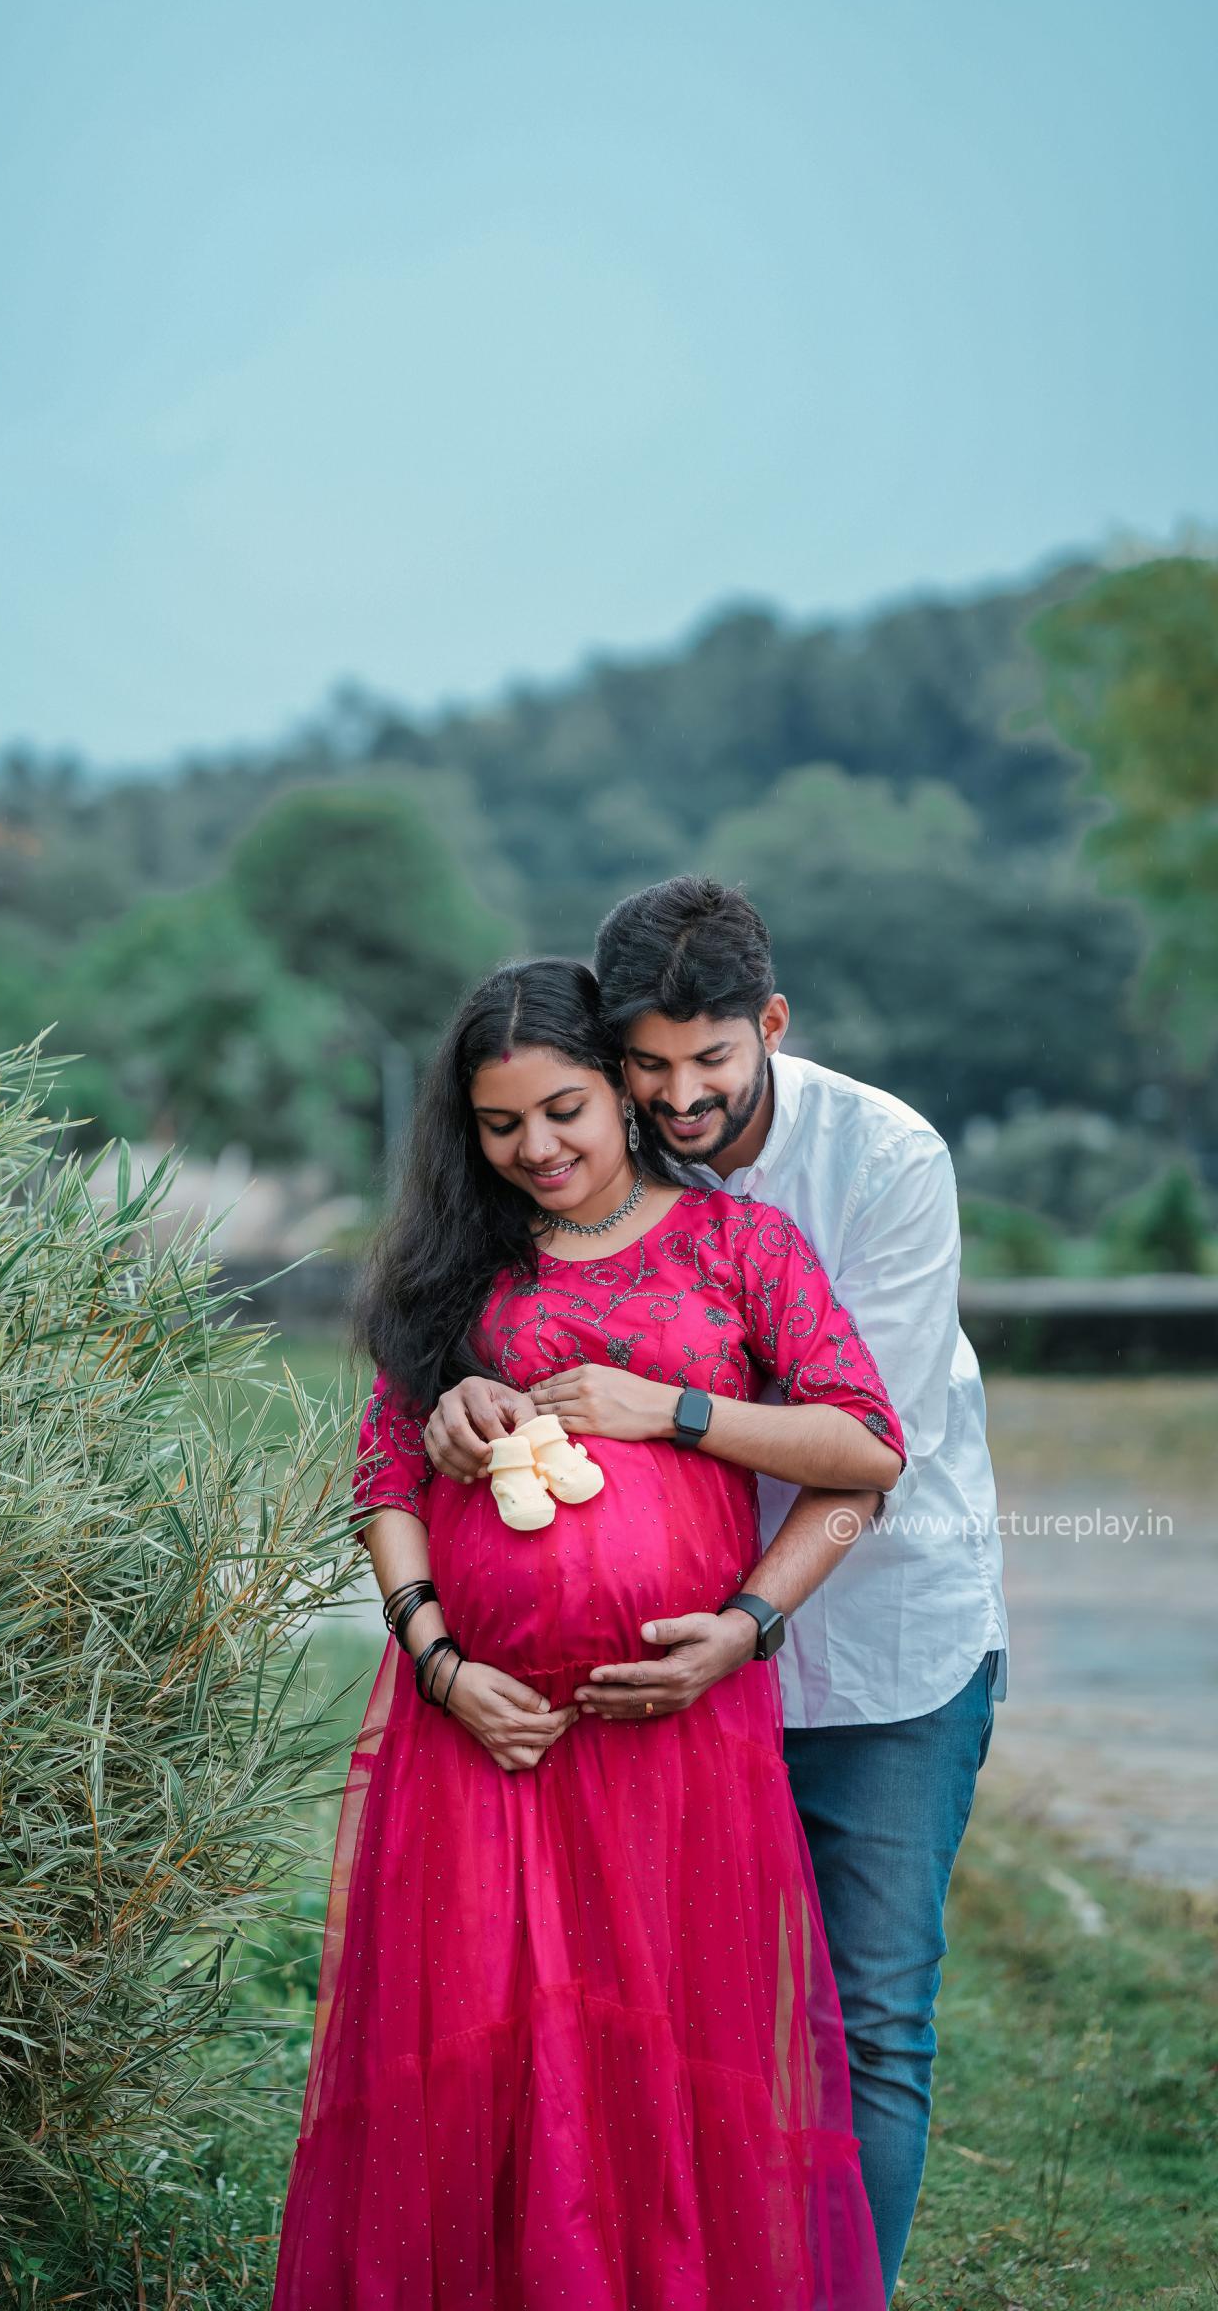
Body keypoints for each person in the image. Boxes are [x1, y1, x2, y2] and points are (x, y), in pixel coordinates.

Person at [271, 957, 908, 2311]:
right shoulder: (457, 1272)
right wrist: (438, 1663)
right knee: (486, 2051)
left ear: (620, 1090)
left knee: (666, 2048)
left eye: (562, 1110)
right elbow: (383, 1479)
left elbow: (863, 1450)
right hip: (487, 1739)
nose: (537, 1148)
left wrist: (738, 1610)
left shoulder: (741, 1248)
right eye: (501, 1125)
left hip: (677, 1730)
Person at [426, 882, 1008, 2299]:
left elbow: (869, 1457)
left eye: (714, 1062)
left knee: (868, 2022)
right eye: (649, 1066)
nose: (682, 1097)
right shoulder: (561, 1196)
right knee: (686, 2023)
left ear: (773, 1025)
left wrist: (686, 1456)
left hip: (875, 1644)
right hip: (655, 1687)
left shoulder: (884, 1160)